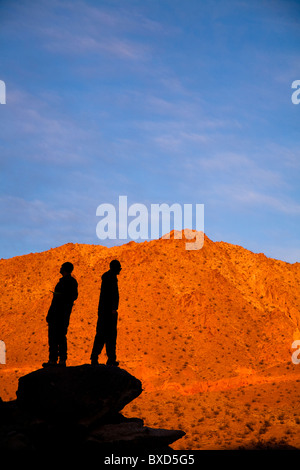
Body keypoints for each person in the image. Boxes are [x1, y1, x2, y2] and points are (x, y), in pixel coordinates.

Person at [43, 262, 78, 367]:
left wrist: (61, 297)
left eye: (62, 267)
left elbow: (72, 296)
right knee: (57, 336)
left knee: (57, 336)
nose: (60, 268)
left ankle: (56, 360)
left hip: (60, 313)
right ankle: (56, 360)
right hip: (61, 313)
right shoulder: (69, 281)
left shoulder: (68, 282)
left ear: (65, 269)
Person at [90, 259, 122, 366]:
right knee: (108, 335)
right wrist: (113, 308)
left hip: (105, 311)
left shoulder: (109, 277)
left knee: (103, 335)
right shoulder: (111, 278)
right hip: (108, 312)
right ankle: (107, 358)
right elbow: (111, 295)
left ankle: (100, 357)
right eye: (119, 268)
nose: (120, 270)